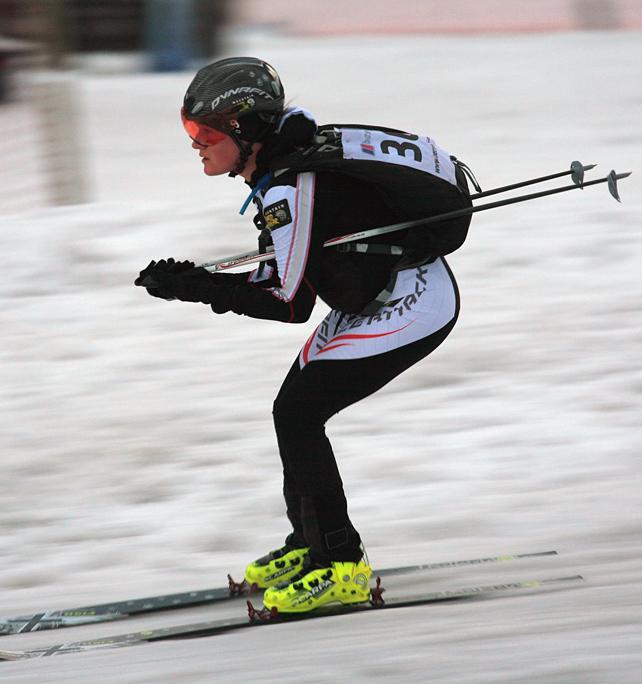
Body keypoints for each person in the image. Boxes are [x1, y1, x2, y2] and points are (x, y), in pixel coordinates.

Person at [135, 57, 474, 614]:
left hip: (410, 302)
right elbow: (281, 274)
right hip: (380, 295)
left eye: (204, 132)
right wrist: (197, 280)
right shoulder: (285, 169)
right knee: (290, 411)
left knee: (298, 414)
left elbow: (288, 303)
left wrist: (197, 289)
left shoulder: (289, 188)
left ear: (244, 133)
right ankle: (311, 543)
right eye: (189, 128)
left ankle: (342, 565)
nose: (195, 143)